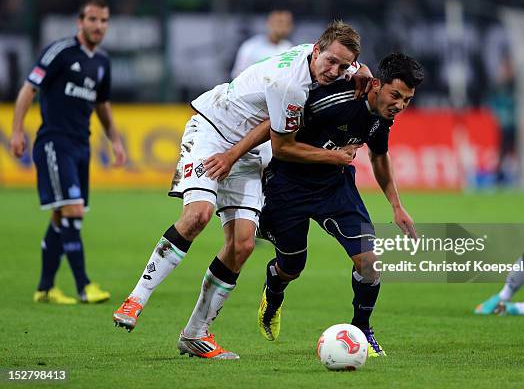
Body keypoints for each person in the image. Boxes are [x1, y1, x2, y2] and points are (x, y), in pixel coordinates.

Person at [113, 21, 369, 360]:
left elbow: (354, 68)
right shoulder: (290, 84)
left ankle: (195, 333)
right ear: (317, 51)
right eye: (331, 62)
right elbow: (280, 143)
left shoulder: (326, 59)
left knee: (243, 243)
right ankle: (135, 299)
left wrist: (361, 69)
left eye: (342, 66)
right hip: (214, 132)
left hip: (248, 152)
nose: (335, 71)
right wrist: (333, 156)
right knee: (198, 216)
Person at [254, 53, 424, 357]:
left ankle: (361, 329)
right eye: (395, 95)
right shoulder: (330, 100)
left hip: (335, 187)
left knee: (370, 263)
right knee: (291, 268)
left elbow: (379, 156)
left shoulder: (383, 117)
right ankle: (274, 291)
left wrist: (397, 206)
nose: (399, 105)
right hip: (288, 186)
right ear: (376, 85)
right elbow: (279, 138)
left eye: (407, 100)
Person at [10, 0, 126, 305]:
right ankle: (83, 285)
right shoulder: (60, 52)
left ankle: (45, 288)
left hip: (80, 146)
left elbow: (102, 104)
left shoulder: (102, 62)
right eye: (92, 19)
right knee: (72, 211)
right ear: (80, 21)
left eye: (103, 21)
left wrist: (115, 139)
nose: (98, 26)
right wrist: (17, 130)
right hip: (53, 142)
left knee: (63, 216)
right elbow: (28, 89)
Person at [230, 10, 294, 192]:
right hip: (252, 116)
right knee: (254, 163)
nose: (281, 26)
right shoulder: (250, 48)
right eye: (277, 22)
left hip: (275, 117)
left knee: (271, 163)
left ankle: (265, 203)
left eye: (285, 23)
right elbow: (237, 78)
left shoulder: (290, 49)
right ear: (269, 23)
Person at [231, 10, 294, 79]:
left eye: (287, 23)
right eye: (279, 22)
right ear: (269, 23)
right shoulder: (251, 46)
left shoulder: (291, 49)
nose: (283, 27)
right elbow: (237, 75)